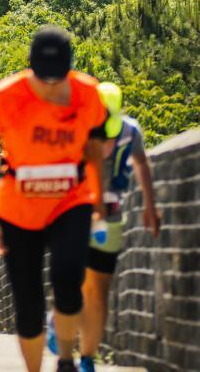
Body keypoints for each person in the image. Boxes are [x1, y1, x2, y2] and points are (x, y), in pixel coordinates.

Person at [0, 25, 108, 372]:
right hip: (18, 208)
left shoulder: (88, 93)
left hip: (71, 200)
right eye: (43, 77)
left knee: (68, 277)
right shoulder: (3, 96)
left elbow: (94, 150)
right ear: (30, 66)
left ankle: (65, 360)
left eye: (57, 78)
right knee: (28, 302)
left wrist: (99, 199)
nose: (50, 86)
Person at [66, 82, 160, 372]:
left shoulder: (127, 131)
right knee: (75, 283)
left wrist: (150, 205)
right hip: (79, 215)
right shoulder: (83, 128)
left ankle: (86, 355)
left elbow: (141, 164)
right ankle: (67, 335)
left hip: (104, 217)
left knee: (95, 289)